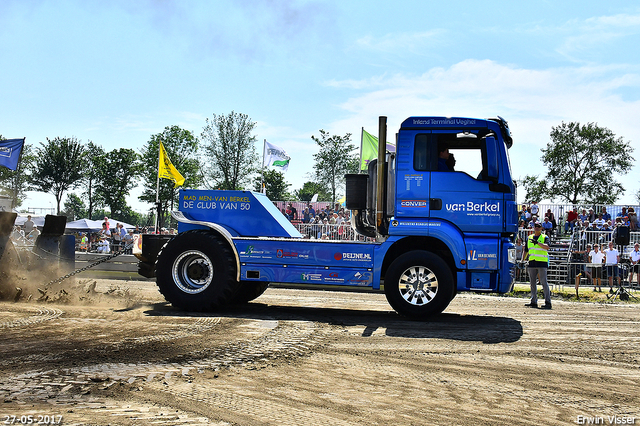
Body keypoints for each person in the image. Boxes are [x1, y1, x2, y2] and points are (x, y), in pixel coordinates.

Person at [522, 222, 552, 309]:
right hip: (532, 263)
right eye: (535, 226)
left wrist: (538, 243)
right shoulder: (529, 238)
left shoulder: (544, 237)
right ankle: (533, 301)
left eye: (538, 227)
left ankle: (548, 302)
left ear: (541, 228)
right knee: (532, 283)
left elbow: (547, 247)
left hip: (542, 263)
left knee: (543, 282)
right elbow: (526, 250)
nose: (537, 228)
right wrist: (522, 260)